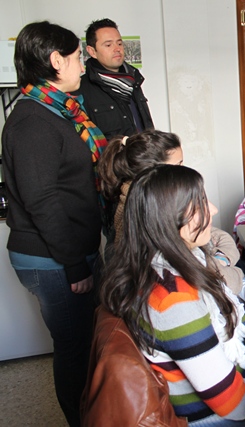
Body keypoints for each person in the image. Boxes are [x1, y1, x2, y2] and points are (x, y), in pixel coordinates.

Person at [101, 165, 245, 425]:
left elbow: (230, 314)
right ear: (170, 219)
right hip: (216, 416)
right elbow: (232, 403)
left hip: (238, 383)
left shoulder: (177, 260)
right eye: (201, 203)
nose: (213, 209)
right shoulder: (172, 300)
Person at [1, 21, 105, 427]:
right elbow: (41, 201)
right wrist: (75, 266)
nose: (82, 65)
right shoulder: (32, 122)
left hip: (69, 251)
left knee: (86, 341)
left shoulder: (59, 110)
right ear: (56, 61)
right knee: (74, 348)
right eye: (78, 57)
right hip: (52, 259)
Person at [98, 130, 245, 298]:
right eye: (178, 165)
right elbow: (207, 275)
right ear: (155, 172)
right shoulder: (148, 214)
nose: (212, 210)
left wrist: (222, 258)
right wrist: (228, 269)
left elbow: (216, 235)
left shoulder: (157, 203)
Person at [73, 18, 154, 140]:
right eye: (108, 45)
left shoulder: (132, 80)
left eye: (119, 43)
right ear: (92, 51)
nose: (117, 49)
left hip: (145, 151)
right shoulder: (81, 89)